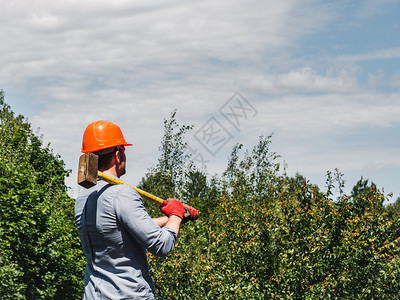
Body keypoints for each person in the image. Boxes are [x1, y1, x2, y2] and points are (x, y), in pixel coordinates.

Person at [75, 120, 198, 299]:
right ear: (119, 153)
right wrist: (177, 215)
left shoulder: (82, 199)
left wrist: (167, 220)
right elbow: (162, 246)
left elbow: (119, 230)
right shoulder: (122, 193)